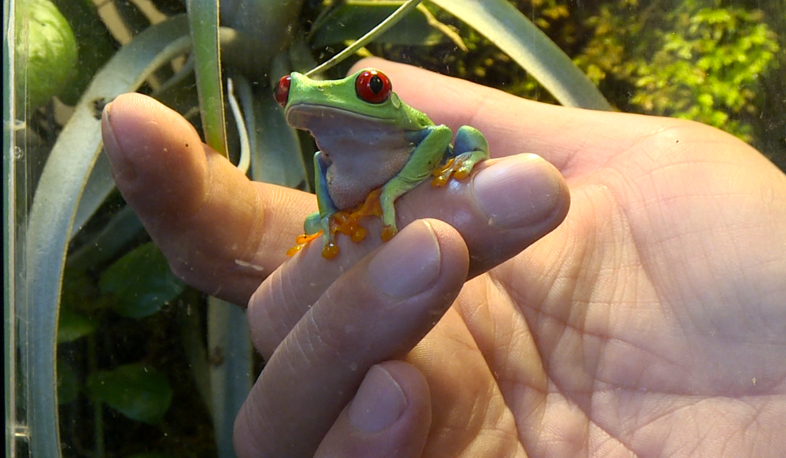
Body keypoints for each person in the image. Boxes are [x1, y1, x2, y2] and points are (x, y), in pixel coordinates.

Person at [101, 58, 786, 457]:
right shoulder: (326, 155)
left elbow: (439, 139)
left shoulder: (402, 127)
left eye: (367, 88)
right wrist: (330, 216)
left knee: (460, 142)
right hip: (354, 200)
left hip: (421, 164)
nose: (302, 98)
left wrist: (401, 186)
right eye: (287, 93)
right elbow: (326, 178)